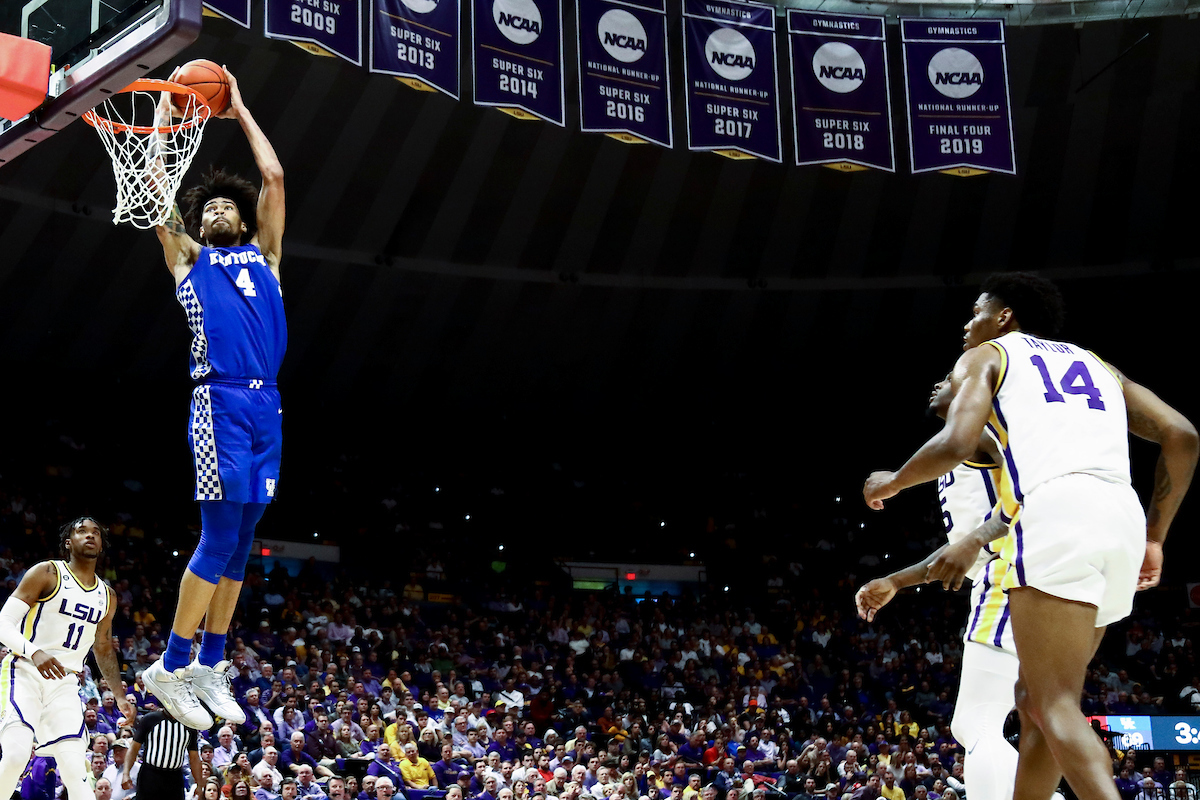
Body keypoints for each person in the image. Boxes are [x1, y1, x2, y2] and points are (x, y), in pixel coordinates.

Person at [863, 273, 1198, 800]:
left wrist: (893, 481)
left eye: (976, 311)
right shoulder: (1098, 364)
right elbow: (1182, 435)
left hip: (1054, 511)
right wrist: (1156, 536)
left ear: (1003, 316)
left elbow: (954, 443)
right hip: (1123, 516)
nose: (968, 323)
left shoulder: (989, 355)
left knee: (1053, 703)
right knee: (1036, 702)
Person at [142, 64, 287, 731]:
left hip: (267, 407)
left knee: (246, 536)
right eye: (209, 211)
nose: (219, 212)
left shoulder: (267, 258)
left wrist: (241, 106)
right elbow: (155, 188)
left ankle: (211, 661)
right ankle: (169, 663)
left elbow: (276, 179)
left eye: (226, 206)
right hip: (218, 403)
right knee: (219, 531)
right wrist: (171, 116)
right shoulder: (189, 261)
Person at [855, 376, 1020, 800]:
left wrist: (893, 480)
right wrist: (895, 580)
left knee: (975, 722)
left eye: (951, 379)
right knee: (1031, 721)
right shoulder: (956, 456)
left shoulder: (980, 435)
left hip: (1009, 573)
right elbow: (956, 553)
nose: (937, 383)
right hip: (1012, 572)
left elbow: (1018, 502)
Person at [0, 518, 136, 800]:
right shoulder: (48, 572)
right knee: (15, 755)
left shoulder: (107, 595)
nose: (90, 535)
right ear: (68, 542)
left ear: (102, 544)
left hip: (65, 685)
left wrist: (119, 695)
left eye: (96, 532)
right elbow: (3, 623)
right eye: (82, 531)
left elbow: (103, 648)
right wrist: (34, 652)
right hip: (24, 671)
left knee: (76, 770)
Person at [123, 708, 203, 800]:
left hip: (175, 777)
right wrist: (126, 773)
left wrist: (199, 784)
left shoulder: (189, 725)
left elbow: (194, 758)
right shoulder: (150, 719)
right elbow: (134, 748)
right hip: (150, 775)